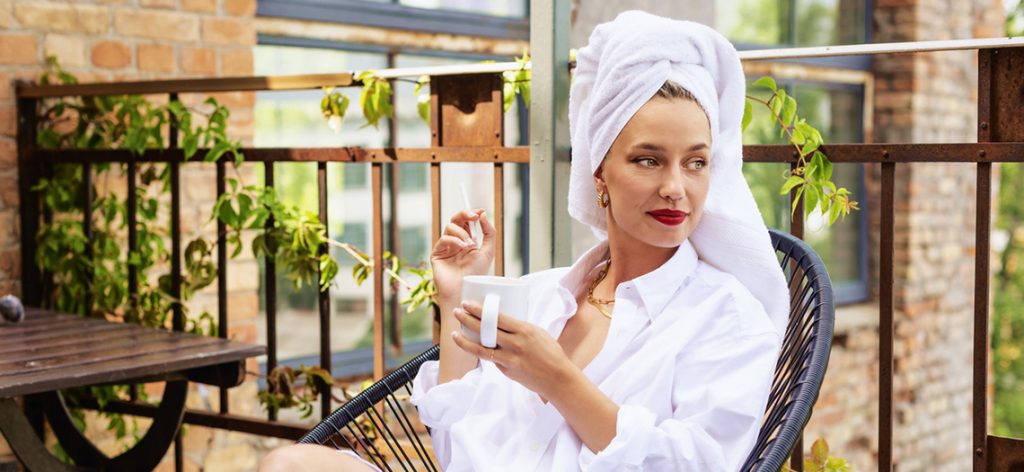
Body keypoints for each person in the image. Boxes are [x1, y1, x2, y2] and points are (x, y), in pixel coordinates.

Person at [259, 10, 789, 472]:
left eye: (695, 162)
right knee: (287, 465)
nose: (676, 187)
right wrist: (456, 300)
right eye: (648, 159)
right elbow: (455, 446)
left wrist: (559, 379)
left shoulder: (727, 316)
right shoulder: (541, 298)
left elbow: (698, 463)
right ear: (600, 172)